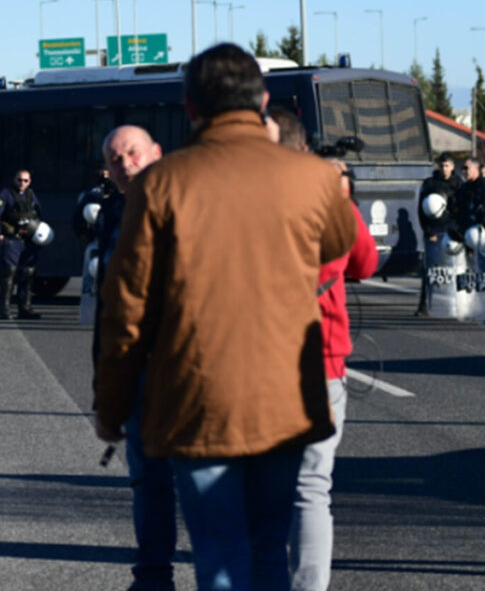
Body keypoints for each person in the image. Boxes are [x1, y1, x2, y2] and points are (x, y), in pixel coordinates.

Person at [95, 43, 356, 591]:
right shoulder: (310, 178)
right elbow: (339, 242)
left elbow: (127, 308)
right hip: (288, 395)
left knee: (220, 553)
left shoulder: (162, 185)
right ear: (262, 100)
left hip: (199, 398)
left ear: (191, 107)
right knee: (268, 548)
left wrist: (114, 404)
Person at [274, 111, 379, 591]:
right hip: (322, 357)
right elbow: (366, 261)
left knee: (258, 487)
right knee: (311, 487)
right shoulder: (329, 201)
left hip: (255, 359)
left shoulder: (243, 198)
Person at [95, 125, 174, 591]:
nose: (124, 163)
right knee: (149, 484)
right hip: (140, 374)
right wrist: (107, 392)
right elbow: (111, 309)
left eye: (132, 153)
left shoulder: (184, 204)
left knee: (203, 487)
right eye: (114, 158)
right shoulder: (113, 213)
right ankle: (152, 579)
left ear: (157, 153)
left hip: (188, 372)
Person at [415, 152, 463, 315]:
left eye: (447, 165)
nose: (444, 169)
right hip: (433, 232)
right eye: (442, 165)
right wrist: (427, 231)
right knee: (430, 269)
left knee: (455, 268)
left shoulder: (458, 184)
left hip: (452, 232)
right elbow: (421, 210)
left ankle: (458, 305)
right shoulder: (429, 184)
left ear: (452, 166)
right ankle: (424, 305)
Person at [0, 169, 43, 320]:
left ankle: (25, 309)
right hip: (11, 239)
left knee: (28, 272)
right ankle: (5, 311)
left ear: (30, 182)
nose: (22, 183)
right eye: (19, 180)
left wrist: (40, 234)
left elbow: (39, 214)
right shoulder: (6, 194)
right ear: (14, 180)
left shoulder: (31, 195)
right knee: (9, 272)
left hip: (28, 240)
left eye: (25, 180)